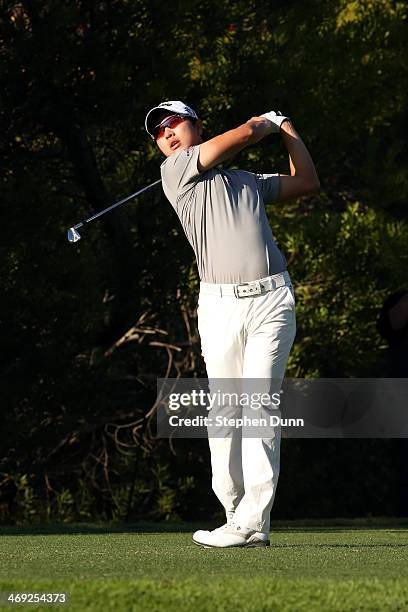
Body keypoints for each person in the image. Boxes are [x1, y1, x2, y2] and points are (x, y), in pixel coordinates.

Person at [145, 100, 320, 548]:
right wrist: (261, 123)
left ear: (197, 126)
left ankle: (253, 521)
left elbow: (306, 182)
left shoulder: (246, 182)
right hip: (220, 307)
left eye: (174, 124)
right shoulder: (176, 174)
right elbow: (242, 135)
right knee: (226, 410)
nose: (166, 134)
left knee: (260, 404)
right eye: (158, 132)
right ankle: (233, 511)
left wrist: (287, 128)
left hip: (271, 302)